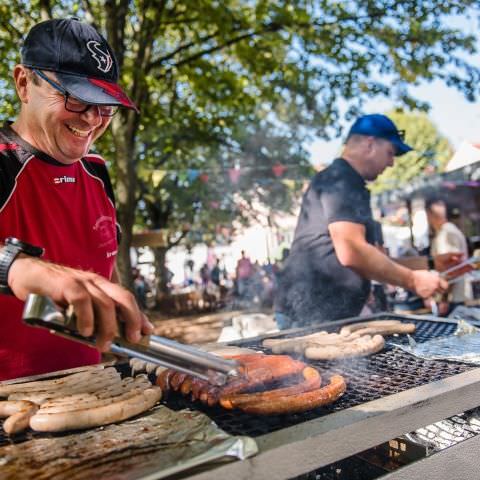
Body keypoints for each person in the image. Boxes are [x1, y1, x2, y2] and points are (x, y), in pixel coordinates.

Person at [0, 18, 153, 381]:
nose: (91, 119)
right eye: (74, 97)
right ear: (24, 83)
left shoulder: (98, 173)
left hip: (88, 394)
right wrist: (18, 267)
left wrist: (119, 317)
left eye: (103, 105)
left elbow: (104, 267)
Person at [275, 114, 449, 329]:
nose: (392, 163)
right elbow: (352, 251)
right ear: (369, 144)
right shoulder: (342, 179)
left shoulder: (349, 182)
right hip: (310, 312)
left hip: (323, 313)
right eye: (390, 153)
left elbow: (377, 259)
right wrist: (413, 281)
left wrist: (432, 263)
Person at [425, 198, 473, 314]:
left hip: (454, 298)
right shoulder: (447, 231)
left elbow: (452, 269)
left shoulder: (447, 233)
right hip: (454, 296)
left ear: (430, 214)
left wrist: (443, 299)